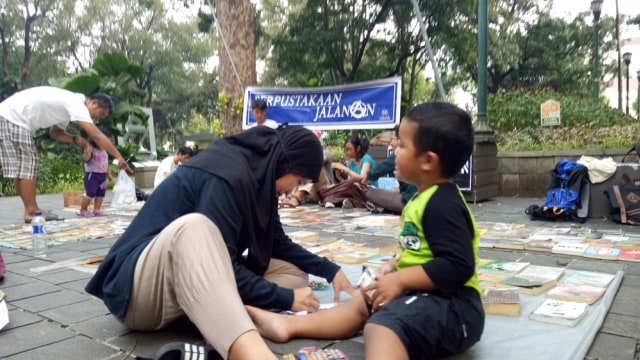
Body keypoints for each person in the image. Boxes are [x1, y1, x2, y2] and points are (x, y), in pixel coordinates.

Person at [85, 125, 355, 360]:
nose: (294, 190)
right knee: (196, 227)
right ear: (285, 162)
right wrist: (286, 298)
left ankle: (220, 318)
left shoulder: (261, 180)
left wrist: (330, 270)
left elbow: (278, 243)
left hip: (182, 287)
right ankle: (253, 353)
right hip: (137, 292)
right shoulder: (227, 175)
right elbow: (221, 263)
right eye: (298, 180)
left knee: (294, 275)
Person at [247, 102, 485, 360]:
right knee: (363, 303)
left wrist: (401, 279)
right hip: (424, 295)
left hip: (455, 307)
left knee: (381, 326)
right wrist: (395, 266)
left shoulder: (442, 204)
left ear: (428, 160)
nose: (393, 148)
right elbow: (424, 250)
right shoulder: (421, 198)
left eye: (402, 145)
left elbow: (458, 265)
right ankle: (289, 325)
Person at [0, 86, 127, 223]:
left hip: (9, 115)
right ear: (94, 103)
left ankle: (29, 210)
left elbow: (55, 133)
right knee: (29, 166)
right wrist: (118, 156)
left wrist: (76, 139)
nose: (97, 118)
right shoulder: (77, 103)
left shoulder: (68, 105)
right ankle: (31, 211)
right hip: (15, 117)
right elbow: (95, 134)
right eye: (100, 113)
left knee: (22, 168)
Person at [359, 124, 417, 214]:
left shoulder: (400, 154)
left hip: (409, 203)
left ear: (400, 140)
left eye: (392, 139)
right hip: (415, 200)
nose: (390, 143)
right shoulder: (417, 153)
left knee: (371, 193)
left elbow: (377, 171)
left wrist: (362, 180)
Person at [279, 130, 336, 207]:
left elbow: (320, 160)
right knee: (298, 169)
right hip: (308, 193)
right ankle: (289, 195)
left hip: (322, 190)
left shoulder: (325, 152)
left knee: (314, 167)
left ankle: (296, 197)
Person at [317, 135, 376, 208]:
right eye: (346, 150)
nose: (347, 152)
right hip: (355, 192)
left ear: (358, 148)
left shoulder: (366, 159)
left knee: (354, 182)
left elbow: (362, 180)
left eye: (349, 149)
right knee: (327, 188)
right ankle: (341, 201)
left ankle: (330, 200)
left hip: (368, 191)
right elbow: (348, 184)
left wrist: (345, 169)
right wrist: (339, 178)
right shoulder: (351, 163)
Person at [77, 127, 113, 217]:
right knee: (91, 192)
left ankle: (97, 209)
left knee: (101, 193)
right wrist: (88, 153)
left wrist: (108, 174)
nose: (106, 145)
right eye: (105, 142)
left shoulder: (104, 151)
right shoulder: (91, 149)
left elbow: (105, 164)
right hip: (92, 175)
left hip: (102, 175)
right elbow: (85, 159)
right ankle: (83, 209)